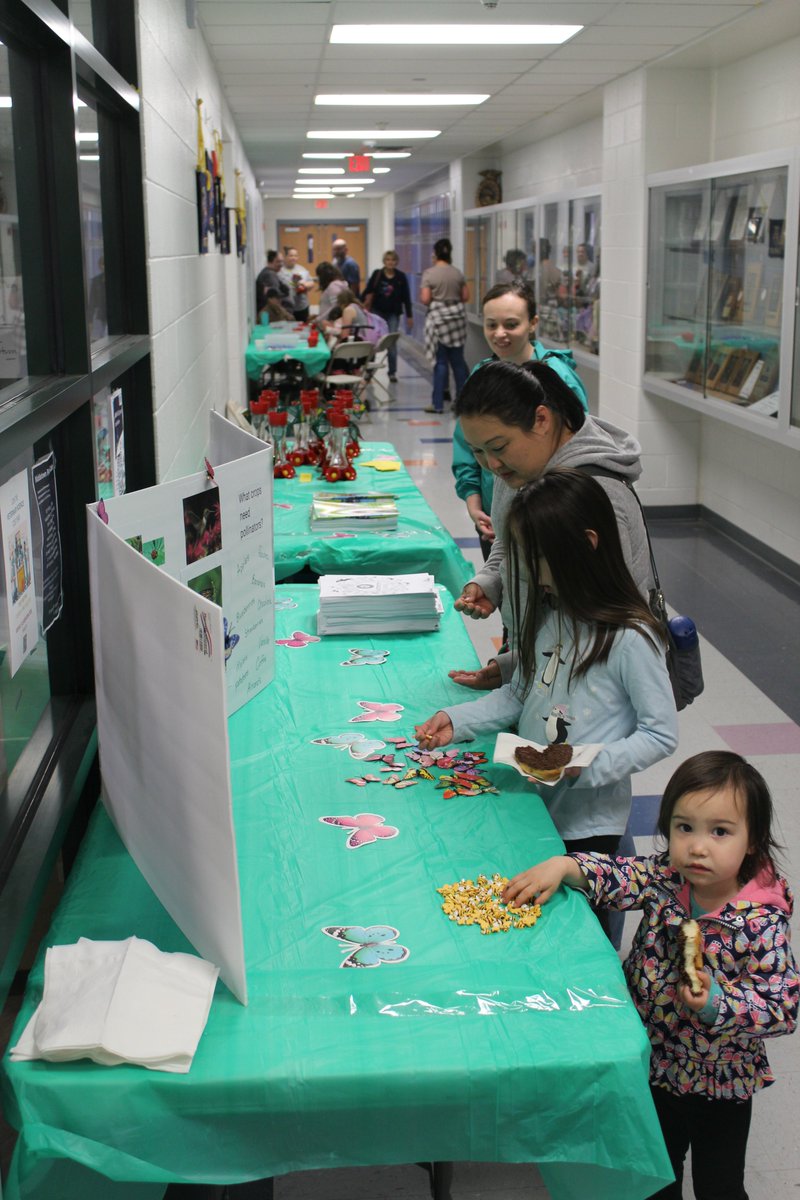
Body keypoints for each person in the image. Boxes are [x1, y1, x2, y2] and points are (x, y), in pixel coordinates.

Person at [503, 750, 800, 1200]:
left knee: (720, 1185)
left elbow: (782, 1006)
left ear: (754, 840)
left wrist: (719, 1002)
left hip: (720, 1082)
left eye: (720, 832)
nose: (698, 846)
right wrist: (568, 866)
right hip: (654, 1064)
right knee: (655, 1175)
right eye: (684, 828)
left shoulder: (761, 923)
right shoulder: (667, 877)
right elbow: (621, 875)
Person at [414, 469, 678, 916]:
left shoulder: (632, 637)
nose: (526, 570)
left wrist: (583, 764)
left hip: (588, 825)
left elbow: (661, 734)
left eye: (535, 557)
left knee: (583, 922)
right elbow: (519, 695)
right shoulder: (549, 614)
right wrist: (457, 721)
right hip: (534, 803)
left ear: (587, 543)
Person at [451, 358, 652, 691]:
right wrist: (491, 581)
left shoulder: (595, 493)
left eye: (498, 447)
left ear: (541, 419)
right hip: (543, 663)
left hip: (590, 686)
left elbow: (607, 628)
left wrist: (518, 666)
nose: (491, 463)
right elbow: (508, 537)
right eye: (478, 451)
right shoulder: (516, 466)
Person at [451, 280, 587, 562]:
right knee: (506, 593)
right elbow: (466, 444)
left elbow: (578, 451)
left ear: (533, 322)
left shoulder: (557, 378)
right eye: (491, 325)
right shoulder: (481, 375)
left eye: (511, 324)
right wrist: (474, 502)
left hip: (549, 514)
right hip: (495, 516)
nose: (500, 334)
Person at [420, 237, 469, 415]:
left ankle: (438, 404)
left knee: (440, 363)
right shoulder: (457, 273)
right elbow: (465, 297)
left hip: (439, 322)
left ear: (435, 253)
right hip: (457, 321)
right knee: (458, 362)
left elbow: (425, 299)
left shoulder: (430, 274)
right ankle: (461, 403)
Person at [362, 250, 412, 382]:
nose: (391, 262)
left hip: (393, 313)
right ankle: (369, 370)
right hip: (377, 312)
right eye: (388, 260)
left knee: (391, 342)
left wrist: (409, 315)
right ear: (384, 261)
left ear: (396, 262)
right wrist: (359, 304)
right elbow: (368, 290)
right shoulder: (377, 274)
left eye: (393, 260)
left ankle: (392, 372)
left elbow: (406, 297)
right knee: (372, 341)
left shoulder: (401, 277)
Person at [280, 247, 313, 322]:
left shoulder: (302, 269)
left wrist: (304, 285)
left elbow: (311, 284)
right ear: (285, 257)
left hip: (301, 306)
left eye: (295, 256)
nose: (293, 258)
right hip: (286, 308)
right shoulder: (280, 270)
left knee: (303, 329)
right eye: (291, 256)